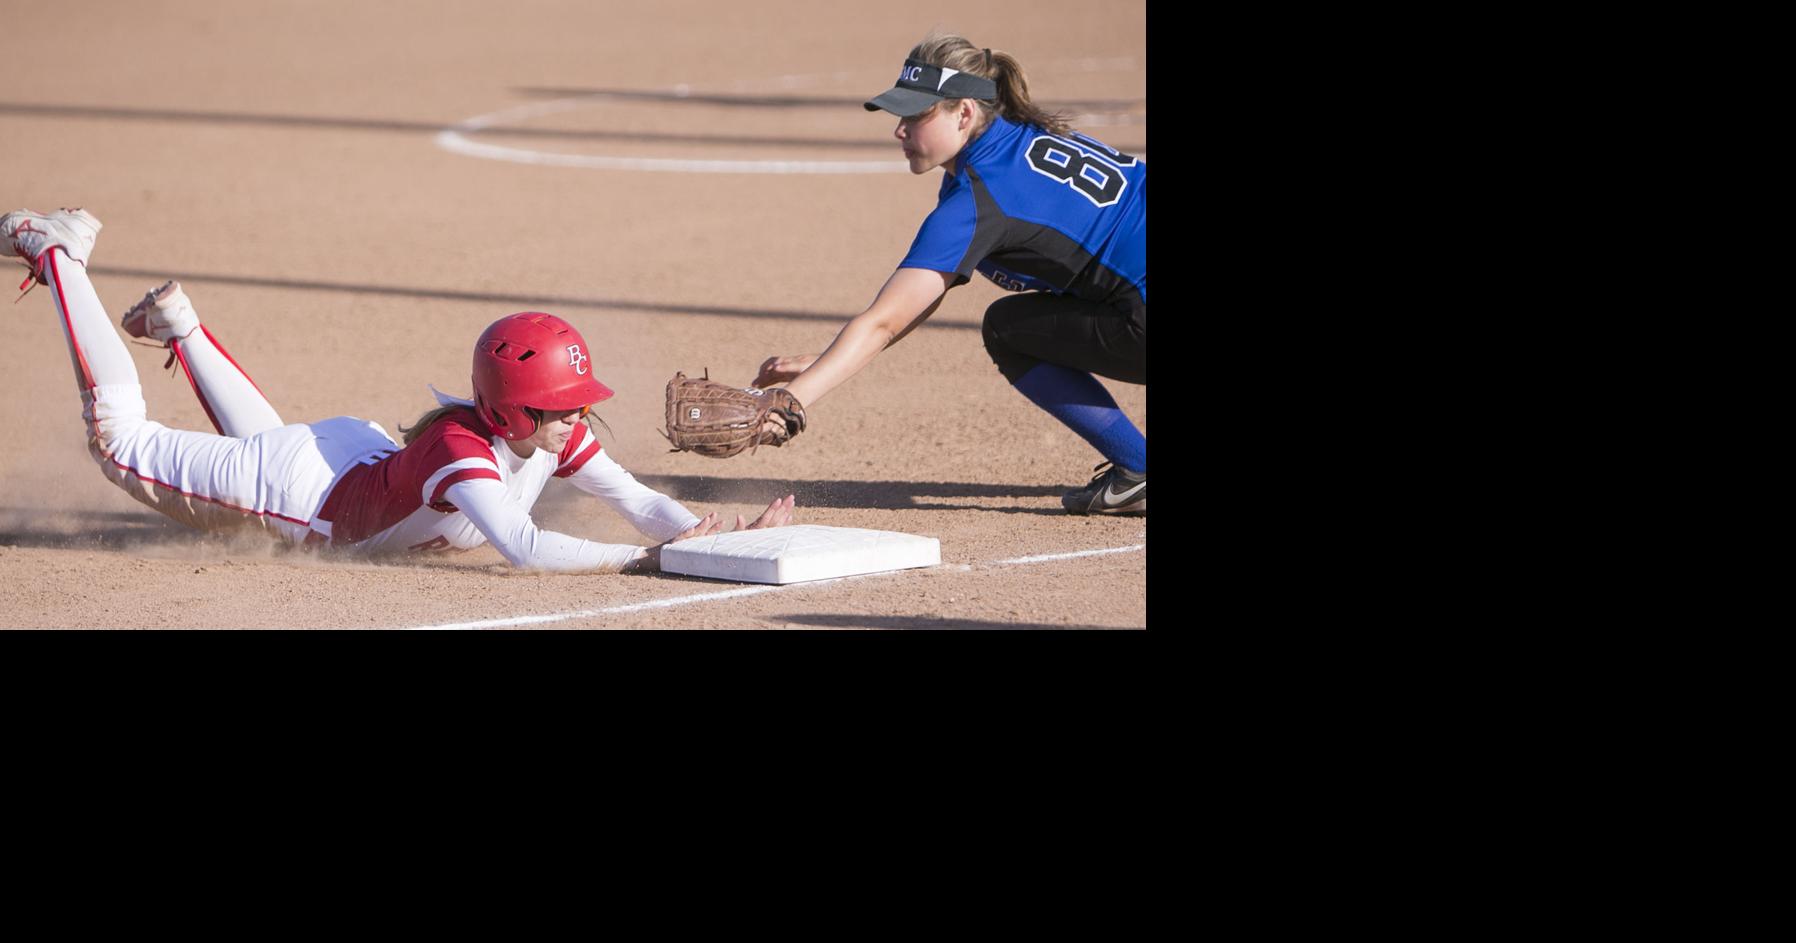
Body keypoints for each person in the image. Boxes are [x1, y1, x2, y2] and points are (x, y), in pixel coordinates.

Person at [2, 206, 794, 572]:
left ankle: (183, 329)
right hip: (306, 496)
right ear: (514, 408)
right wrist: (642, 564)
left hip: (344, 459)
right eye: (561, 406)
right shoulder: (462, 449)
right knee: (118, 442)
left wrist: (701, 535)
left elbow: (636, 501)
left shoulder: (545, 432)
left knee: (263, 445)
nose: (579, 416)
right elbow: (522, 547)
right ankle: (57, 254)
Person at [754, 32, 1145, 516]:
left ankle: (1139, 470)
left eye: (917, 116)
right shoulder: (1025, 139)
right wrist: (827, 360)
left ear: (964, 112)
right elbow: (909, 307)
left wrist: (791, 401)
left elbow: (884, 321)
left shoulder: (978, 199)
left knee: (1008, 331)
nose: (900, 130)